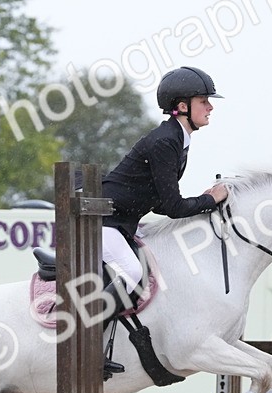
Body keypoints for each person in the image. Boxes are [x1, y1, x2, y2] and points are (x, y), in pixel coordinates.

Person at [96, 65, 230, 375]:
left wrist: (205, 199)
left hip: (120, 225)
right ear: (182, 106)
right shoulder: (166, 142)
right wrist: (211, 200)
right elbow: (171, 206)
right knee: (130, 270)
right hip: (102, 223)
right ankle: (88, 348)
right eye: (203, 101)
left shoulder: (177, 139)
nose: (210, 107)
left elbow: (159, 203)